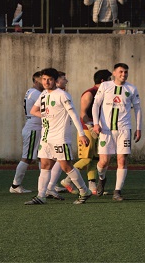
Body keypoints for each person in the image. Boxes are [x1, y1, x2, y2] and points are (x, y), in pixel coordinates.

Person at [25, 68, 92, 205]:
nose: (46, 82)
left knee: (66, 166)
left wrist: (82, 133)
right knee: (45, 164)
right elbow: (33, 111)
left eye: (49, 79)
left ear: (55, 80)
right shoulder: (43, 94)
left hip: (60, 137)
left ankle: (84, 191)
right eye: (44, 79)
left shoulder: (63, 95)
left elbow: (73, 115)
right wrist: (46, 116)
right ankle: (41, 196)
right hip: (46, 137)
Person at [91, 63, 142, 201]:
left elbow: (137, 109)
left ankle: (117, 191)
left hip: (124, 129)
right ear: (114, 73)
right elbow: (95, 105)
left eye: (125, 72)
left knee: (122, 160)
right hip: (106, 130)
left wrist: (138, 128)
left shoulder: (131, 88)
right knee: (103, 162)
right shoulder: (105, 86)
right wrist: (96, 123)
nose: (123, 74)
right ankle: (101, 178)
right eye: (120, 72)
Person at [59, 69, 112, 195]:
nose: (112, 82)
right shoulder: (89, 93)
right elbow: (82, 113)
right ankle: (67, 180)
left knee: (95, 158)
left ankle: (93, 187)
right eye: (110, 79)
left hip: (98, 128)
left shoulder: (106, 93)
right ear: (103, 81)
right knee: (86, 158)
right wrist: (90, 127)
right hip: (87, 129)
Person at [10, 71, 44, 194]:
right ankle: (15, 185)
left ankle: (47, 185)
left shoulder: (33, 92)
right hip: (33, 127)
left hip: (36, 127)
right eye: (42, 79)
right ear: (36, 81)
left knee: (43, 157)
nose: (45, 82)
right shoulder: (36, 94)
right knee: (27, 158)